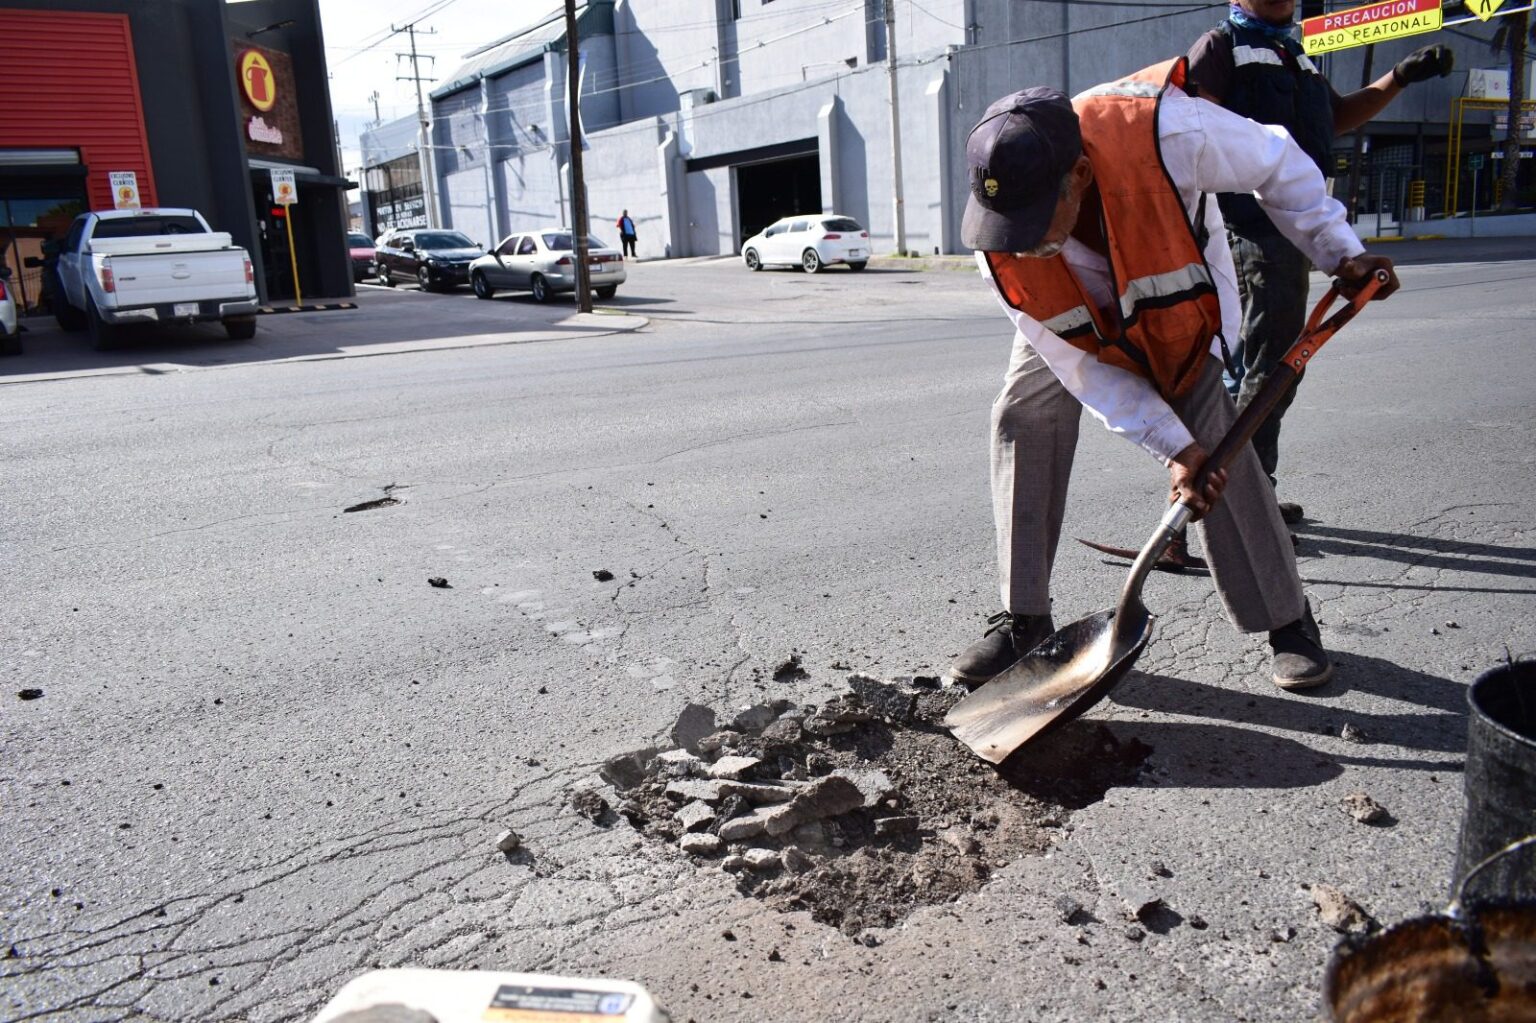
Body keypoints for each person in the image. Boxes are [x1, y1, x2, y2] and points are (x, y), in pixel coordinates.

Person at [947, 59, 1397, 693]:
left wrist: (1339, 251)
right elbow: (1081, 369)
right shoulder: (1002, 245)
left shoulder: (1168, 130)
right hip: (1073, 323)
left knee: (1212, 437)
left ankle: (1287, 620)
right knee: (1024, 409)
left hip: (1176, 304)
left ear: (1079, 176)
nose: (1017, 243)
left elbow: (1276, 161)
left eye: (1032, 219)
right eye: (1006, 224)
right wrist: (1168, 448)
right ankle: (1024, 619)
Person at [1186, 3, 1450, 524]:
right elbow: (1192, 134)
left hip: (1295, 227)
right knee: (1271, 368)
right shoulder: (1221, 48)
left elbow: (1336, 118)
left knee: (1266, 368)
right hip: (1250, 229)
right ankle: (1243, 505)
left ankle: (1247, 490)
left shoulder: (1294, 54)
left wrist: (1399, 77)